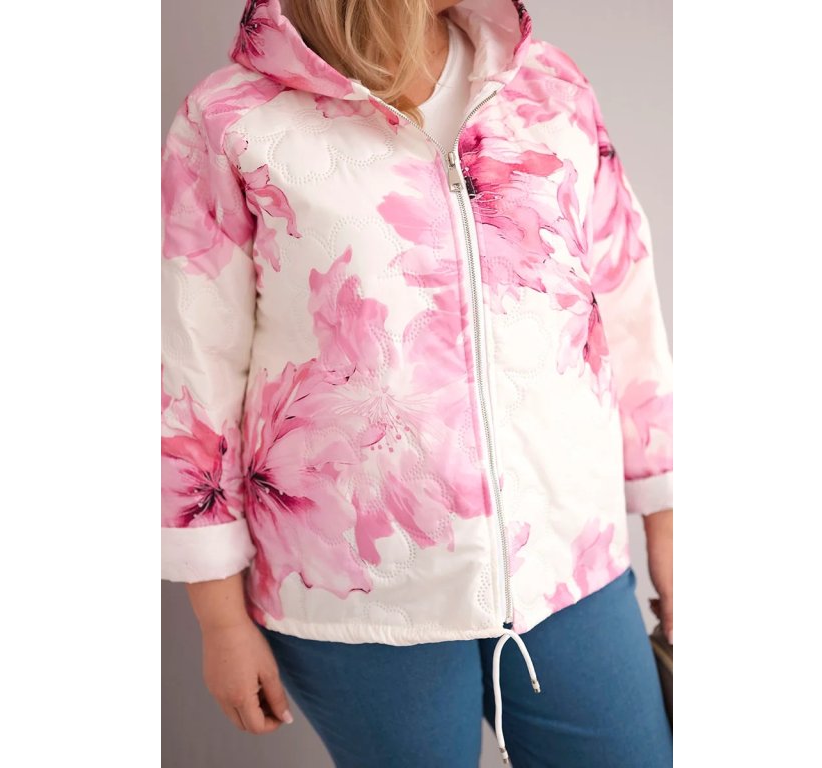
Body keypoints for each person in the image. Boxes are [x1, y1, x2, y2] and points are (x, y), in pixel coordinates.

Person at [160, 0, 674, 765]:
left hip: (569, 561)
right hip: (357, 596)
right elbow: (190, 374)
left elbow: (626, 310)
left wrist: (669, 529)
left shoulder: (547, 86)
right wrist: (220, 620)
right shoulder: (230, 118)